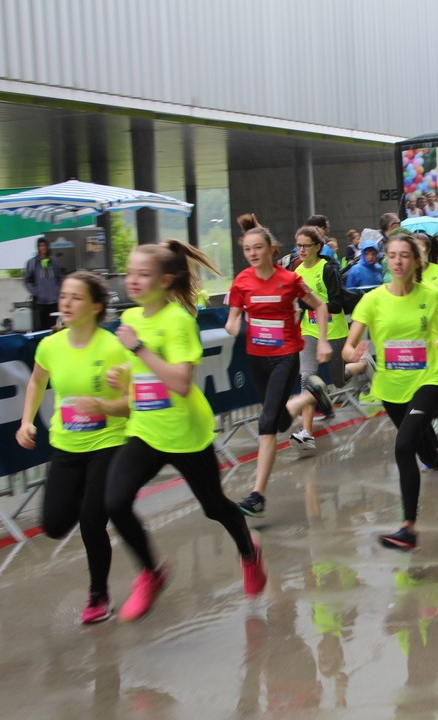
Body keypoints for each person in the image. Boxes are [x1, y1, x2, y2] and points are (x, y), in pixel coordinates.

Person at [105, 239, 266, 622]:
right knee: (114, 502)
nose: (134, 280)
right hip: (145, 429)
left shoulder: (178, 321)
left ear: (166, 280)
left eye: (144, 274)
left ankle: (248, 551)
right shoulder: (131, 320)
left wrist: (139, 349)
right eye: (130, 273)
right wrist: (121, 375)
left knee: (214, 507)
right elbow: (141, 373)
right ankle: (152, 571)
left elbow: (179, 382)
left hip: (186, 433)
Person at [343, 234, 438, 550]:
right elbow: (349, 345)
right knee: (424, 453)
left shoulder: (430, 294)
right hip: (391, 389)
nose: (397, 261)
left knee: (403, 446)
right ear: (386, 261)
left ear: (416, 261)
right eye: (391, 256)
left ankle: (408, 528)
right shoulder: (373, 300)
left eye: (404, 255)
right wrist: (351, 353)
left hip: (427, 380)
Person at [16, 271, 128, 624]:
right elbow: (37, 380)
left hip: (107, 442)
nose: (65, 303)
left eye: (76, 297)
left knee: (92, 523)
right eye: (64, 296)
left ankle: (99, 596)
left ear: (95, 306)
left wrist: (105, 405)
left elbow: (132, 402)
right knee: (54, 524)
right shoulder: (51, 345)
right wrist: (27, 420)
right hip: (66, 445)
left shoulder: (112, 347)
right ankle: (89, 502)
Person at [225, 215, 334, 517]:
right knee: (281, 422)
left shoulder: (289, 279)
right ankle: (310, 395)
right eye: (248, 249)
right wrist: (233, 326)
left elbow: (320, 306)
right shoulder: (241, 281)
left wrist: (323, 341)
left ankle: (257, 494)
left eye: (258, 248)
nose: (253, 254)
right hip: (256, 358)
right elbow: (233, 318)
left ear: (271, 249)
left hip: (285, 355)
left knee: (265, 423)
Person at [292, 225, 354, 453]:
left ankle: (361, 366)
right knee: (307, 378)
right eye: (298, 245)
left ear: (318, 247)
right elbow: (297, 304)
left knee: (338, 380)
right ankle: (306, 433)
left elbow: (336, 304)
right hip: (309, 332)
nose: (301, 250)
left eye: (305, 245)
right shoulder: (296, 271)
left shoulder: (328, 269)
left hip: (333, 331)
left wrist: (316, 304)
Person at [24, 237, 63, 331]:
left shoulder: (53, 261)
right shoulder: (32, 263)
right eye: (41, 245)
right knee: (41, 328)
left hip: (54, 301)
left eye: (45, 245)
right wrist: (36, 292)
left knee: (55, 327)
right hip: (40, 302)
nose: (43, 248)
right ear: (37, 247)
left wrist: (57, 291)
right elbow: (27, 281)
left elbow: (59, 278)